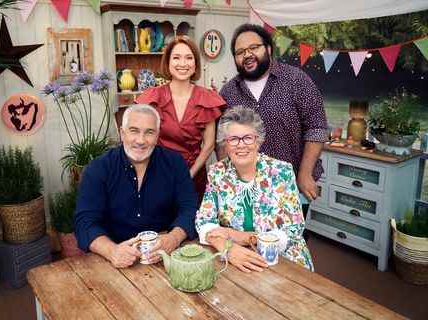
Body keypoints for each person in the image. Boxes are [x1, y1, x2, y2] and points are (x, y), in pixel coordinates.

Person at [219, 23, 328, 227]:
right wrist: (228, 180)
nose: (247, 55)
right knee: (250, 241)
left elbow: (317, 126)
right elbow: (223, 139)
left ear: (268, 49)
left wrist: (304, 173)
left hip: (291, 184)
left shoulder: (296, 80)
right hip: (247, 187)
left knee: (288, 242)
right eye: (240, 52)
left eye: (254, 48)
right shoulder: (229, 92)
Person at [75, 104, 198, 268]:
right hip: (113, 257)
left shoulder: (175, 163)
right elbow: (85, 222)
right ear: (122, 133)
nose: (141, 140)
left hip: (166, 255)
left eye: (149, 132)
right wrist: (111, 251)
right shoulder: (98, 169)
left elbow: (190, 207)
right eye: (134, 131)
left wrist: (173, 238)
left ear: (157, 135)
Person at [195, 107, 314, 272]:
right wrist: (226, 246)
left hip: (283, 258)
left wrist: (238, 236)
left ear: (258, 140)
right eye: (234, 139)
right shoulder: (217, 172)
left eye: (248, 138)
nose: (241, 145)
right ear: (225, 143)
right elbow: (203, 220)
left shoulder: (281, 171)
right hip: (235, 256)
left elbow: (293, 231)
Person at [136, 35, 226, 202]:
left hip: (194, 176)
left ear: (195, 64)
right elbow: (143, 140)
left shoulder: (207, 98)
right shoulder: (153, 97)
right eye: (176, 57)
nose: (183, 64)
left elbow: (209, 145)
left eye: (189, 58)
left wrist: (188, 175)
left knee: (192, 224)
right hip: (158, 175)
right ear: (168, 63)